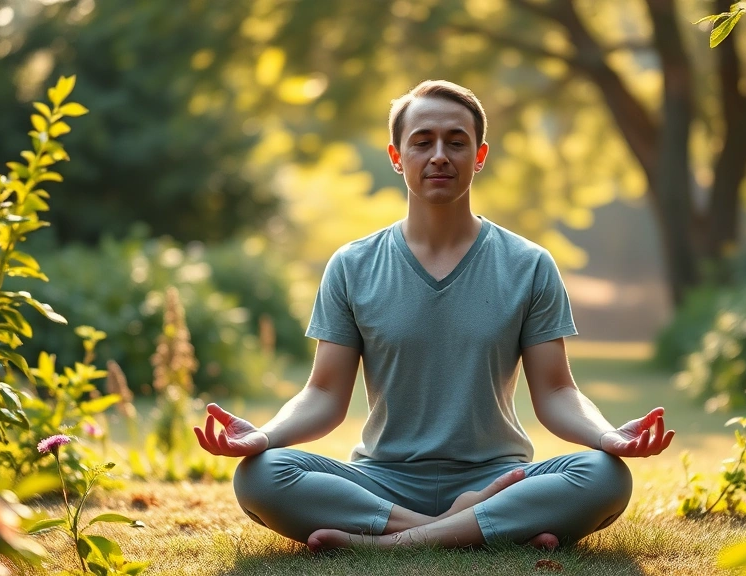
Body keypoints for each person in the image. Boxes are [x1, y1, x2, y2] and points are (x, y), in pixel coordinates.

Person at [194, 80, 675, 552]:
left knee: (605, 475)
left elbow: (556, 392)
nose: (439, 155)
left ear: (479, 156)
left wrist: (607, 436)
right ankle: (469, 526)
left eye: (456, 142)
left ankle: (392, 542)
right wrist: (265, 435)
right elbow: (323, 394)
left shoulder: (529, 265)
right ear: (396, 156)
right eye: (422, 142)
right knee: (260, 474)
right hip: (381, 481)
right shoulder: (352, 265)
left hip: (499, 478)